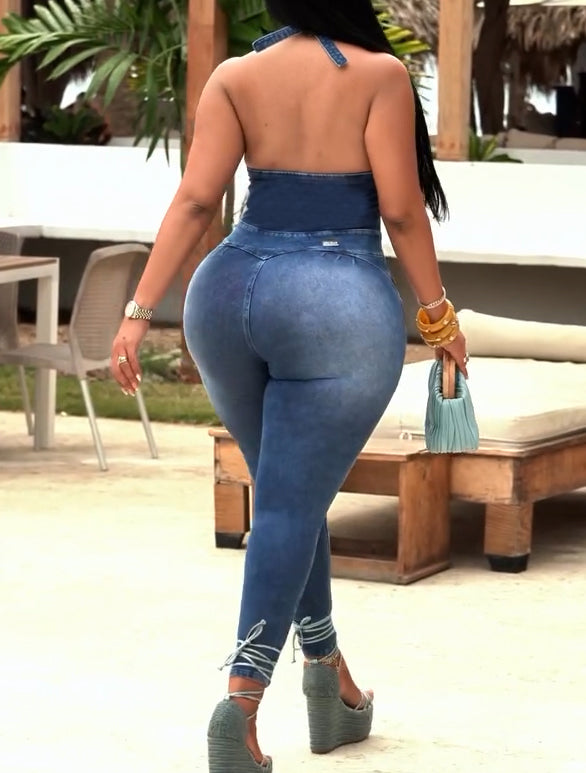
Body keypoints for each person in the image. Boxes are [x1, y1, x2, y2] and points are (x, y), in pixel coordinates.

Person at [110, 1, 468, 770]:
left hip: (224, 296)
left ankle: (329, 678)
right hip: (333, 299)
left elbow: (195, 201)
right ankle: (240, 705)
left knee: (287, 498)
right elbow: (402, 211)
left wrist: (138, 312)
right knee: (287, 505)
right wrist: (439, 318)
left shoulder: (236, 76)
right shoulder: (380, 75)